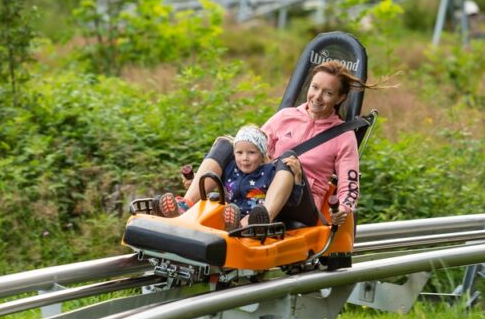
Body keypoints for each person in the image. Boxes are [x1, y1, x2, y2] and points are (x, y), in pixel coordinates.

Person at [164, 60, 373, 229]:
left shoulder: (343, 136)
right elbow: (253, 148)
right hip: (260, 188)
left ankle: (255, 223)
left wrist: (344, 209)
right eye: (315, 88)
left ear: (340, 98)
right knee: (227, 143)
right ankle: (188, 202)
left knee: (288, 158)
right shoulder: (286, 116)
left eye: (327, 93)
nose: (317, 97)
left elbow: (350, 185)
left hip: (301, 202)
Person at [156, 124, 304, 231]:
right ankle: (182, 208)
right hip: (229, 214)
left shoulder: (269, 172)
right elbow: (213, 181)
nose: (244, 158)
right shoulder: (230, 169)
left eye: (251, 153)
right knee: (223, 208)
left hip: (254, 218)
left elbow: (290, 200)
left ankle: (247, 226)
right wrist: (195, 180)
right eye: (239, 153)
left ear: (262, 155)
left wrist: (296, 179)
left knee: (247, 217)